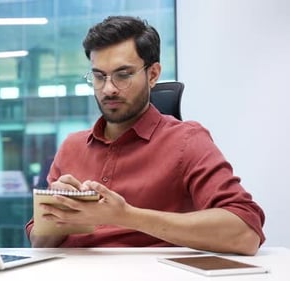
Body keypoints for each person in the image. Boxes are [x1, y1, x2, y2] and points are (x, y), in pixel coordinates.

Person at [25, 15, 265, 256]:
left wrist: (126, 216)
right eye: (99, 76)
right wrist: (61, 215)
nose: (108, 89)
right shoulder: (72, 146)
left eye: (123, 75)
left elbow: (245, 234)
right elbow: (38, 243)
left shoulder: (187, 140)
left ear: (153, 75)